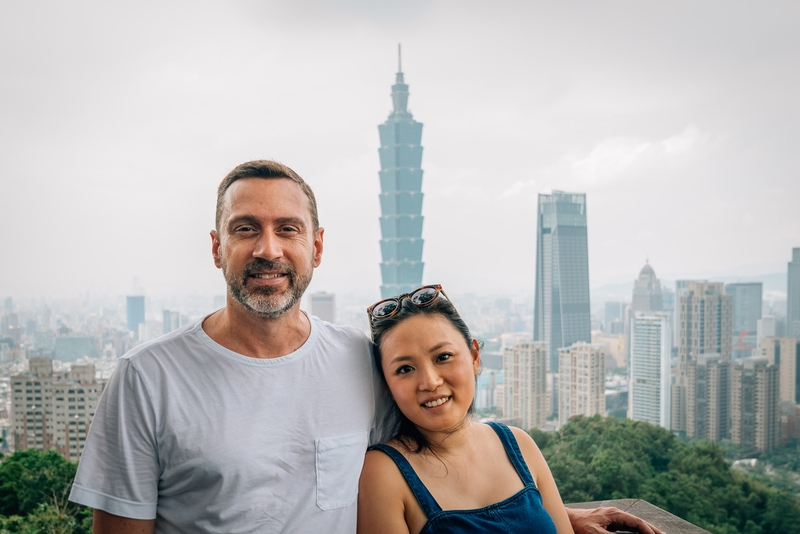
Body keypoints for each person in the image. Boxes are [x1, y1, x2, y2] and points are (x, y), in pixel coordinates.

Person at [69, 160, 663, 534]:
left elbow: (438, 466)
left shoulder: (363, 362)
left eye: (288, 230)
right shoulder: (148, 378)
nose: (268, 249)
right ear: (217, 247)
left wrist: (550, 517)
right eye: (245, 228)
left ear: (317, 248)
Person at [359, 284, 573, 534]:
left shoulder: (519, 444)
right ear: (386, 385)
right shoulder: (382, 474)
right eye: (405, 369)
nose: (430, 382)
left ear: (474, 357)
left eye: (443, 357)